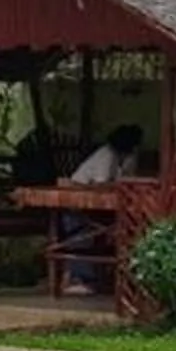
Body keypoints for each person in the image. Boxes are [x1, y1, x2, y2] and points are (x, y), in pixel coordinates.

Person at [58, 124, 142, 293]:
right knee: (81, 235)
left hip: (96, 207)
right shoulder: (107, 155)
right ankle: (77, 278)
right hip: (78, 203)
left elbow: (127, 179)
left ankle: (99, 277)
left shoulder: (124, 158)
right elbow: (101, 184)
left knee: (108, 231)